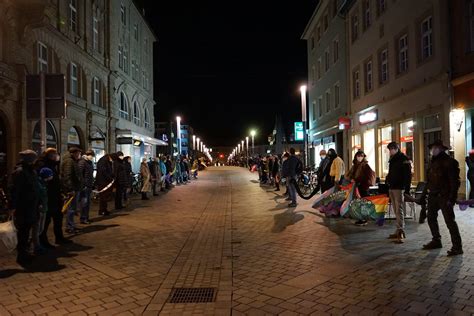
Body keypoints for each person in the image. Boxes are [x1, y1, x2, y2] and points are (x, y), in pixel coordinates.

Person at [422, 140, 463, 256]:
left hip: (444, 196)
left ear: (441, 149)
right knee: (431, 218)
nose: (432, 150)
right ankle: (436, 240)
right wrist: (424, 195)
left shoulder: (450, 162)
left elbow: (455, 182)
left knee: (450, 221)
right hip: (433, 195)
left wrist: (452, 198)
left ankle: (457, 247)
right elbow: (429, 181)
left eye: (435, 148)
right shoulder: (432, 163)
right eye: (431, 148)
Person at [9, 150, 41, 265]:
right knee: (23, 232)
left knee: (26, 231)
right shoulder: (20, 172)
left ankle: (25, 253)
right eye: (34, 159)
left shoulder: (30, 170)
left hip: (31, 206)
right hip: (24, 207)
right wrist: (12, 206)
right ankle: (22, 256)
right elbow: (15, 190)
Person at [36, 148, 69, 247]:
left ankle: (59, 238)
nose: (58, 156)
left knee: (58, 219)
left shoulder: (53, 165)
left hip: (55, 197)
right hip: (49, 198)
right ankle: (43, 241)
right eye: (56, 154)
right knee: (46, 221)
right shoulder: (43, 165)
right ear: (51, 155)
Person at [386, 142, 411, 243]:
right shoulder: (393, 159)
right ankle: (398, 230)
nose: (390, 151)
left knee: (399, 209)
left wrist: (407, 189)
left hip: (399, 187)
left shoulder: (403, 159)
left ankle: (401, 230)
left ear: (396, 148)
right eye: (389, 149)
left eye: (391, 149)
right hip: (392, 187)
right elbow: (392, 172)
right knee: (395, 209)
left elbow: (407, 175)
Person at [346, 151, 375, 226]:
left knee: (363, 203)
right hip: (356, 187)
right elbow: (349, 175)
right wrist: (351, 179)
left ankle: (364, 219)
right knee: (358, 203)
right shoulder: (355, 166)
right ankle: (360, 218)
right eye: (358, 156)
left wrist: (358, 180)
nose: (359, 157)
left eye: (361, 156)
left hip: (363, 187)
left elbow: (368, 177)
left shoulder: (365, 166)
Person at [60, 147, 83, 234]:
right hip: (72, 189)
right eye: (78, 153)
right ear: (74, 153)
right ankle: (69, 227)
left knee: (73, 208)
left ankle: (71, 225)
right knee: (71, 208)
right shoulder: (69, 161)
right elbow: (67, 176)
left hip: (75, 188)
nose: (79, 155)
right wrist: (70, 188)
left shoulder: (72, 161)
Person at [32, 167, 54, 255]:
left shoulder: (43, 183)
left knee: (40, 229)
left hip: (43, 208)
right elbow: (38, 196)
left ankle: (35, 245)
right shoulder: (39, 184)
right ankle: (35, 247)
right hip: (40, 210)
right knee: (37, 229)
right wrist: (39, 205)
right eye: (50, 175)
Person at [78, 150, 95, 224]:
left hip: (89, 185)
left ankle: (86, 217)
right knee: (84, 203)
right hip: (85, 186)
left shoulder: (89, 162)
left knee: (87, 203)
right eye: (91, 156)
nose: (92, 157)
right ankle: (83, 218)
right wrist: (83, 184)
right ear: (87, 155)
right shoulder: (82, 162)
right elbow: (80, 175)